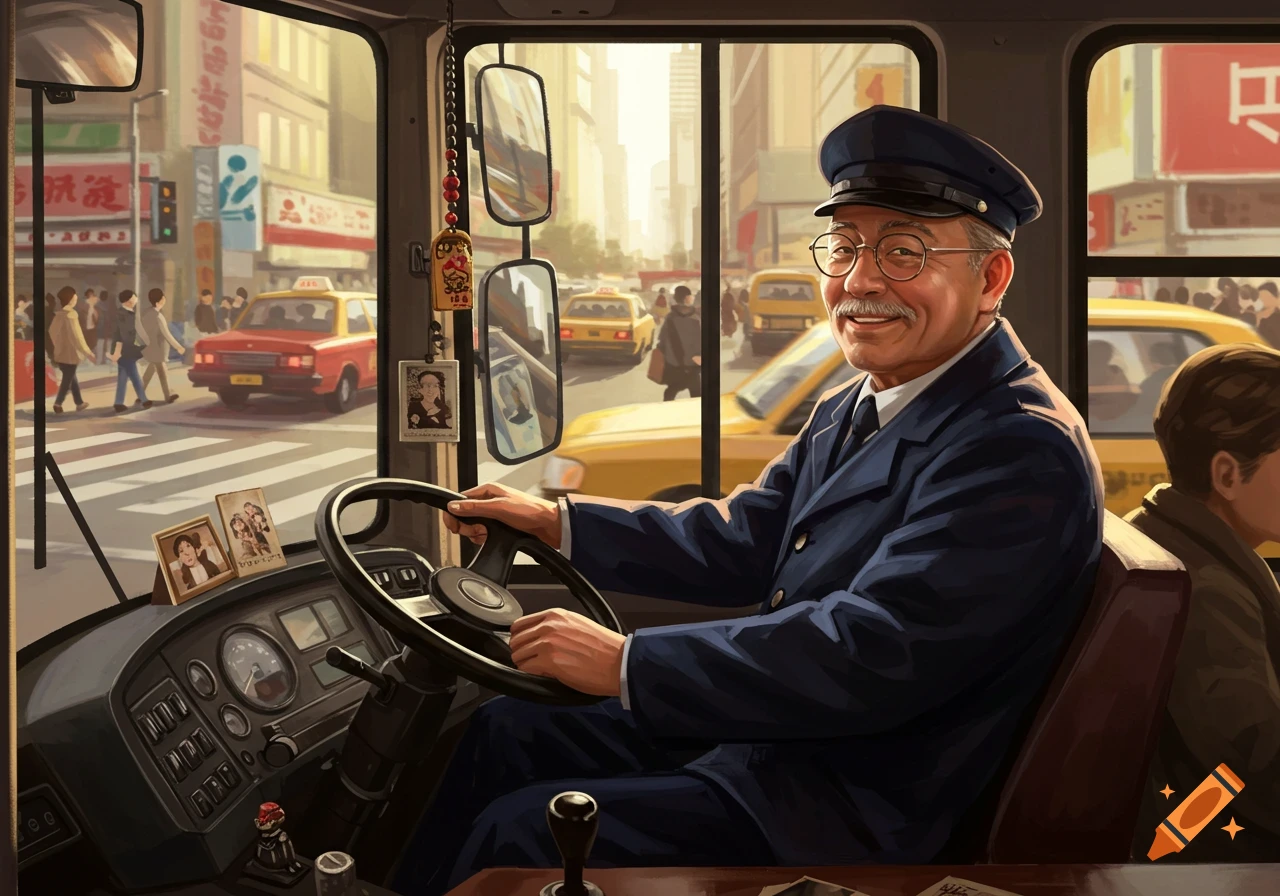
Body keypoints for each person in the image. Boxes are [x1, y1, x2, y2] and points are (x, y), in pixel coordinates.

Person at [394, 106, 1103, 895]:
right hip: (779, 739)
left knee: (521, 827)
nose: (861, 282)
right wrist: (560, 524)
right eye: (843, 248)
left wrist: (627, 661)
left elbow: (871, 650)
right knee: (503, 730)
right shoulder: (860, 400)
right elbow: (748, 536)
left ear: (990, 278)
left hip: (846, 799)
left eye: (904, 252)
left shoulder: (1017, 445)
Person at [1126, 344, 1280, 862]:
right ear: (1228, 475)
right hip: (1205, 853)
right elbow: (1261, 766)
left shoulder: (1159, 533)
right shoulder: (1209, 593)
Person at [48, 286, 93, 413]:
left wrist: (59, 344)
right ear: (70, 299)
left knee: (71, 376)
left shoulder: (59, 315)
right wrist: (88, 352)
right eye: (74, 296)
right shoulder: (71, 315)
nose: (76, 298)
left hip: (60, 352)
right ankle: (58, 403)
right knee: (68, 378)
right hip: (70, 354)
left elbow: (52, 332)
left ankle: (79, 403)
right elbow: (77, 337)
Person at [108, 289, 152, 412]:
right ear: (128, 301)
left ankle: (118, 402)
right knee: (134, 374)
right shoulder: (124, 315)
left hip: (123, 349)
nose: (136, 299)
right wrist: (134, 348)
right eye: (134, 297)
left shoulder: (124, 313)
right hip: (125, 349)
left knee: (123, 376)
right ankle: (144, 400)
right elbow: (123, 335)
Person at [140, 288, 185, 403]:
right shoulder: (158, 316)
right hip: (158, 349)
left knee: (150, 371)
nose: (165, 299)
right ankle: (168, 395)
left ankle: (140, 393)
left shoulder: (146, 313)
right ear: (159, 301)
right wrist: (178, 347)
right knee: (162, 372)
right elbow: (167, 334)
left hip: (150, 347)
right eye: (163, 297)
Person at [657, 285, 701, 401]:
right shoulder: (697, 317)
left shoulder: (670, 318)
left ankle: (668, 414)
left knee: (671, 391)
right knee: (697, 394)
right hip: (694, 363)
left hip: (675, 363)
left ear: (676, 298)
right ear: (687, 298)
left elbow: (662, 340)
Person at [1256, 281, 1280, 348]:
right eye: (1261, 297)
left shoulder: (1275, 318)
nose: (1263, 300)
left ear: (1275, 296)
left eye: (1265, 296)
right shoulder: (1260, 317)